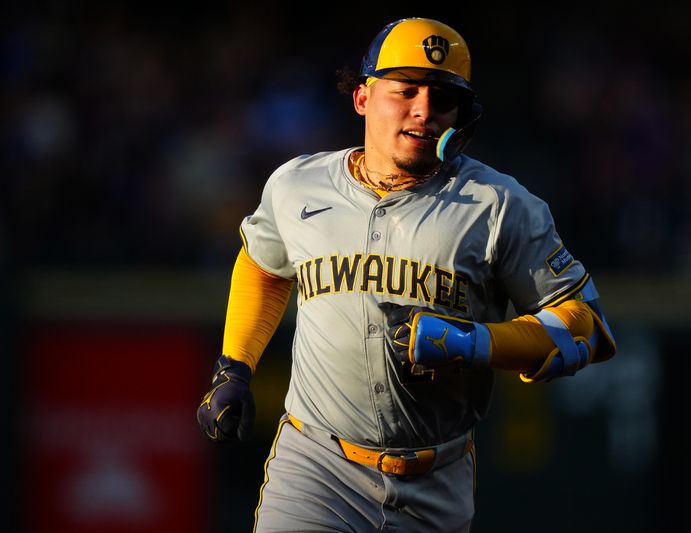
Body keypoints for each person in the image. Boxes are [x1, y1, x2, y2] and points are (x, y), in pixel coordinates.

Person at [196, 16, 616, 532]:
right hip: (316, 465)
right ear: (363, 98)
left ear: (461, 115)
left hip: (435, 482)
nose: (424, 109)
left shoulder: (500, 205)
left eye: (442, 97)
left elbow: (586, 328)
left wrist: (476, 342)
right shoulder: (297, 185)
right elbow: (263, 265)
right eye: (406, 90)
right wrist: (235, 366)